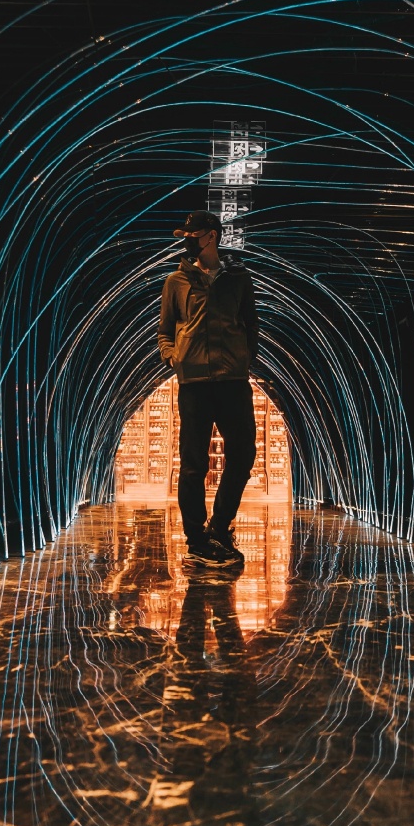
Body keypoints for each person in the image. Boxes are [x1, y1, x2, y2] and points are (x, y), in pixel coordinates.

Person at [158, 210, 259, 566]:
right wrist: (175, 358)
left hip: (233, 380)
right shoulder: (176, 281)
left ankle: (219, 528)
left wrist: (244, 360)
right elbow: (165, 331)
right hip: (195, 383)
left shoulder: (239, 279)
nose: (187, 241)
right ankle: (196, 539)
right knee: (193, 463)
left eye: (194, 235)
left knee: (244, 454)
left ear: (213, 236)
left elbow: (251, 325)